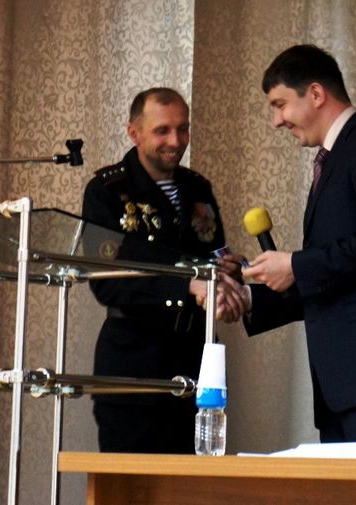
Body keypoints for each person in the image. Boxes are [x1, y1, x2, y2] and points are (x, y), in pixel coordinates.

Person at [233, 44, 356, 448]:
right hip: (342, 388)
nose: (276, 121)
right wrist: (248, 296)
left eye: (280, 105)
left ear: (316, 94)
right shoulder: (335, 157)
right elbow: (335, 279)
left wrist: (296, 265)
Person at [81, 87, 243, 453]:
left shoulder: (197, 188)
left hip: (195, 360)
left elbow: (212, 253)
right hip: (133, 366)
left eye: (182, 129)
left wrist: (228, 274)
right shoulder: (107, 191)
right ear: (134, 133)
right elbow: (107, 282)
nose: (175, 140)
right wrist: (187, 285)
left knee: (193, 479)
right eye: (162, 131)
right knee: (130, 482)